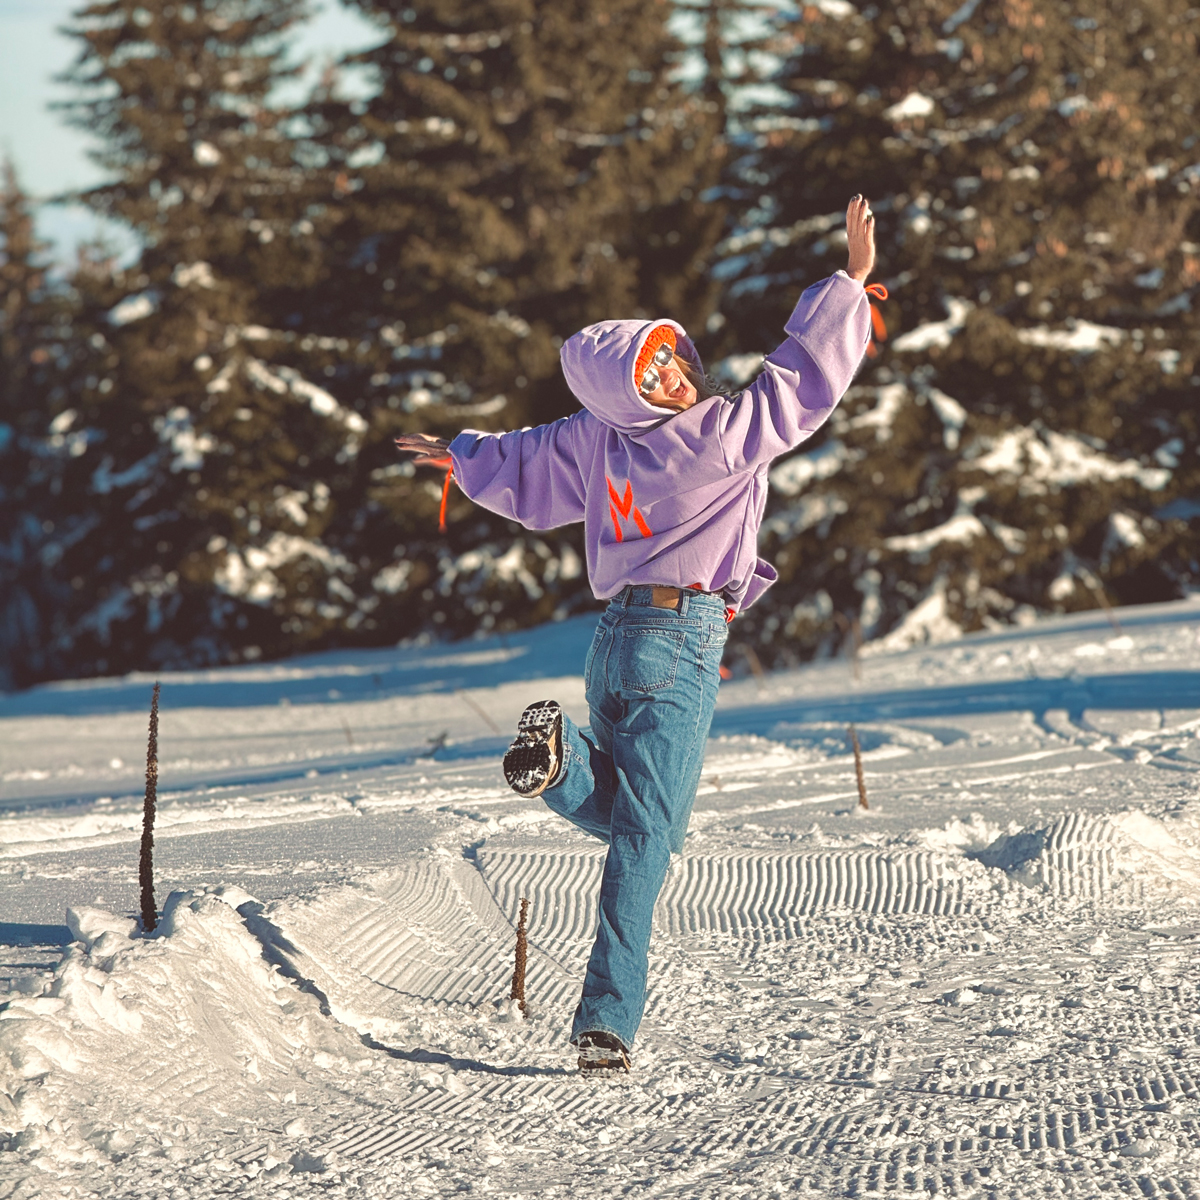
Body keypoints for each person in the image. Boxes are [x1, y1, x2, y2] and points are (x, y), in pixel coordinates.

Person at [395, 196, 879, 1072]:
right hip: (680, 638)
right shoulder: (714, 435)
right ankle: (606, 1021)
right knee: (649, 840)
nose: (672, 378)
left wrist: (461, 455)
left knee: (636, 822)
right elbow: (797, 386)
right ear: (630, 396)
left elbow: (530, 455)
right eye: (651, 377)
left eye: (668, 359)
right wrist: (848, 284)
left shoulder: (599, 440)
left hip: (615, 639)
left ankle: (562, 764)